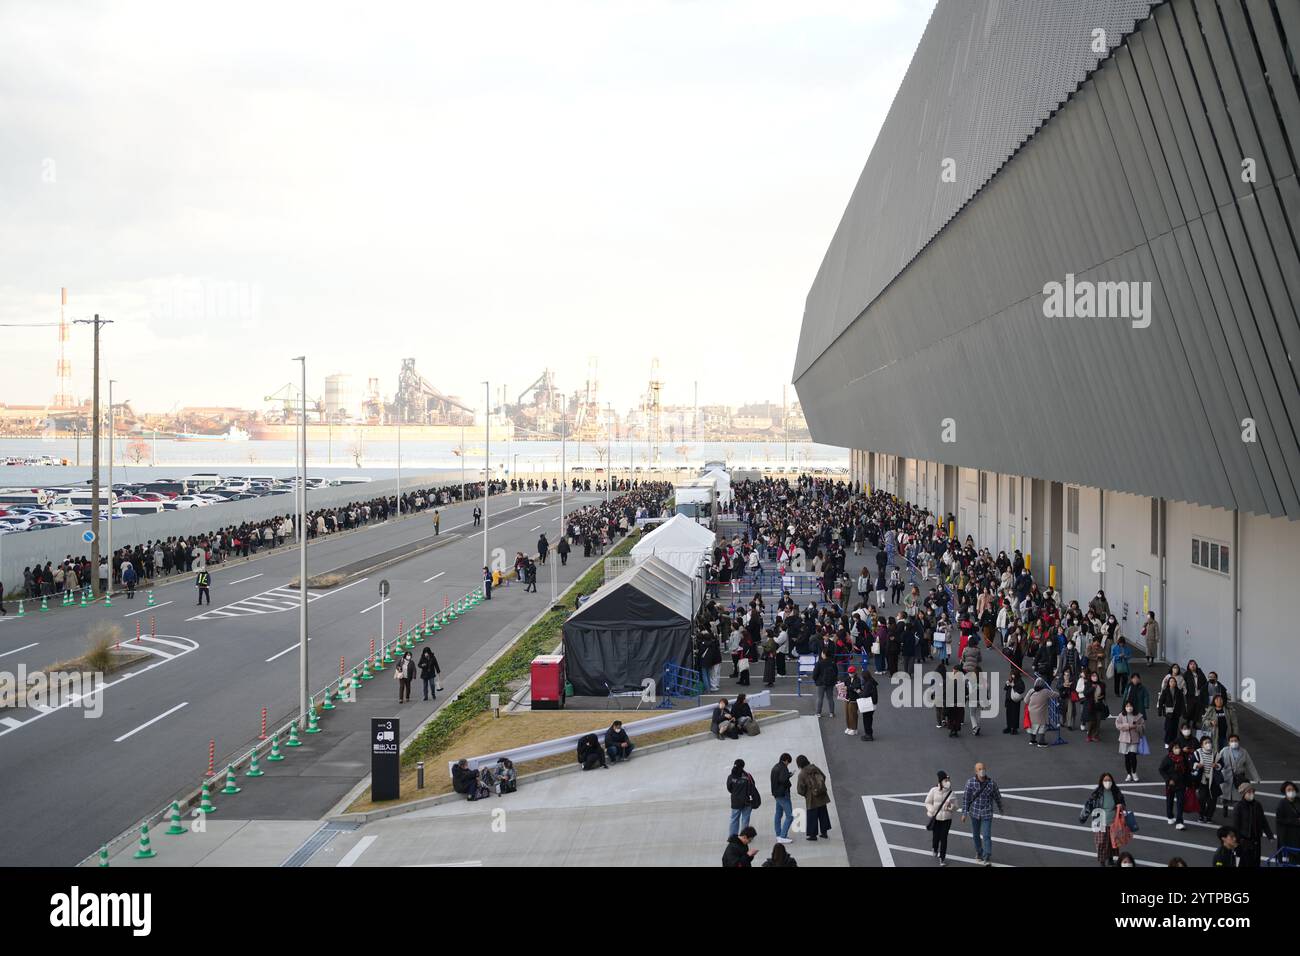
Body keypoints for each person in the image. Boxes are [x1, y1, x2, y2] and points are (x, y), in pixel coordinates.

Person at [960, 762, 1003, 865]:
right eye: (979, 769)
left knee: (987, 835)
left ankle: (986, 856)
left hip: (987, 814)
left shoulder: (991, 783)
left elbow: (997, 796)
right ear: (975, 771)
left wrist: (1001, 808)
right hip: (974, 813)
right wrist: (964, 813)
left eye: (983, 768)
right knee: (976, 835)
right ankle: (979, 852)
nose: (982, 770)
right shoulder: (970, 783)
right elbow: (966, 798)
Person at [1079, 772, 1127, 866]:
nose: (1107, 782)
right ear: (1101, 781)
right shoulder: (1097, 793)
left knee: (1112, 842)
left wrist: (1121, 806)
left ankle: (1110, 859)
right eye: (1105, 780)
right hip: (1100, 822)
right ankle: (1102, 862)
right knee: (1101, 843)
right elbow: (1089, 805)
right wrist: (1083, 817)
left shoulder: (1116, 792)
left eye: (1109, 780)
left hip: (1114, 822)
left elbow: (1123, 804)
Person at [1231, 783, 1274, 867]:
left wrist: (1270, 835)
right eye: (1249, 792)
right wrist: (1236, 843)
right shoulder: (1238, 807)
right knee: (1244, 863)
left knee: (1256, 861)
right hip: (1244, 841)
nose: (1251, 794)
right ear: (1243, 794)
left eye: (1252, 791)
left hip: (1256, 840)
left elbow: (1263, 820)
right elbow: (1236, 827)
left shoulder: (1257, 805)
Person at [1216, 733, 1258, 819]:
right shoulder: (1225, 750)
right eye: (1232, 741)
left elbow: (1250, 765)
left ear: (1239, 741)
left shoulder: (1244, 752)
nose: (1234, 742)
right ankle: (1225, 807)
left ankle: (1237, 812)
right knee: (1225, 796)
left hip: (1239, 778)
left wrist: (1256, 777)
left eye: (1235, 741)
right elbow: (1218, 761)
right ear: (1228, 742)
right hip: (1226, 777)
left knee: (1238, 796)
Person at [924, 770, 957, 865]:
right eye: (945, 780)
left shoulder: (951, 793)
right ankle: (934, 848)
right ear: (940, 781)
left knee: (944, 838)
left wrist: (951, 807)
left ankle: (942, 858)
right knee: (936, 836)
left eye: (948, 780)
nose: (948, 782)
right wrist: (932, 810)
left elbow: (956, 806)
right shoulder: (933, 791)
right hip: (937, 818)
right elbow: (927, 802)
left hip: (947, 819)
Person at [796, 755, 832, 841]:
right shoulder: (815, 768)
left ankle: (813, 835)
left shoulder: (802, 774)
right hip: (822, 795)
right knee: (823, 814)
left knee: (812, 816)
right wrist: (820, 787)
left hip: (811, 798)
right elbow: (823, 776)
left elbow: (800, 789)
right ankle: (824, 832)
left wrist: (806, 794)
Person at [1159, 741, 1192, 830]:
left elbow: (1187, 770)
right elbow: (1161, 770)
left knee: (1180, 802)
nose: (1177, 750)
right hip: (1171, 784)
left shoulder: (1183, 758)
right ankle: (1170, 816)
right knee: (1170, 801)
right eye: (1175, 748)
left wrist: (1189, 782)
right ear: (1171, 749)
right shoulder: (1167, 759)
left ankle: (1179, 821)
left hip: (1181, 784)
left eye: (1178, 748)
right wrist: (1168, 779)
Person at [726, 759, 761, 836]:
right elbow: (753, 786)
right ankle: (744, 836)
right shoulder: (748, 776)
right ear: (743, 766)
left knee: (734, 819)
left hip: (735, 802)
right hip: (747, 802)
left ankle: (732, 837)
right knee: (745, 819)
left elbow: (729, 788)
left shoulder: (730, 777)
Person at [1116, 699, 1146, 782]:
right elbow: (1118, 725)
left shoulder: (1139, 716)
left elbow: (1143, 727)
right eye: (1127, 706)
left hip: (1134, 739)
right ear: (1125, 707)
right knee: (1127, 757)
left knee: (1133, 756)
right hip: (1124, 739)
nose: (1129, 707)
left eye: (1130, 706)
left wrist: (1136, 726)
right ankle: (1129, 774)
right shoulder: (1121, 715)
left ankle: (1134, 772)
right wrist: (1128, 726)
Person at [771, 753, 794, 844]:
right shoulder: (783, 768)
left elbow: (779, 779)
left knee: (778, 814)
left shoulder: (775, 767)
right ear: (786, 760)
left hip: (776, 794)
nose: (788, 764)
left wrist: (787, 775)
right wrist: (789, 777)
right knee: (789, 816)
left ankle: (778, 834)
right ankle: (783, 836)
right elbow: (783, 780)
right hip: (783, 795)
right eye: (788, 762)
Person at [1276, 781, 1299, 864]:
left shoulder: (1298, 801)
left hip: (1297, 835)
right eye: (1289, 790)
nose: (1291, 791)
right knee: (1290, 860)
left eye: (1292, 789)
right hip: (1288, 837)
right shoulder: (1282, 804)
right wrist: (1295, 821)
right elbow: (1280, 820)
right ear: (1285, 792)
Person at [812, 651, 837, 718]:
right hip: (830, 683)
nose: (821, 654)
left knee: (820, 698)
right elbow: (836, 672)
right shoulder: (832, 662)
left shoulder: (819, 663)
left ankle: (818, 713)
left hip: (820, 683)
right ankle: (832, 713)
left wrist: (816, 680)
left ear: (824, 654)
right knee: (830, 698)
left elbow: (815, 674)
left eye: (822, 653)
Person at [1003, 671, 1025, 736]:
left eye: (1013, 675)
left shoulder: (1020, 681)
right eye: (1011, 674)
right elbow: (1005, 688)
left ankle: (1014, 728)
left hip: (1015, 700)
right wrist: (1007, 684)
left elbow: (1022, 689)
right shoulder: (1010, 680)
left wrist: (1014, 685)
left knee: (1015, 714)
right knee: (1008, 713)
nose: (1011, 676)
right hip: (1009, 699)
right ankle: (1009, 727)